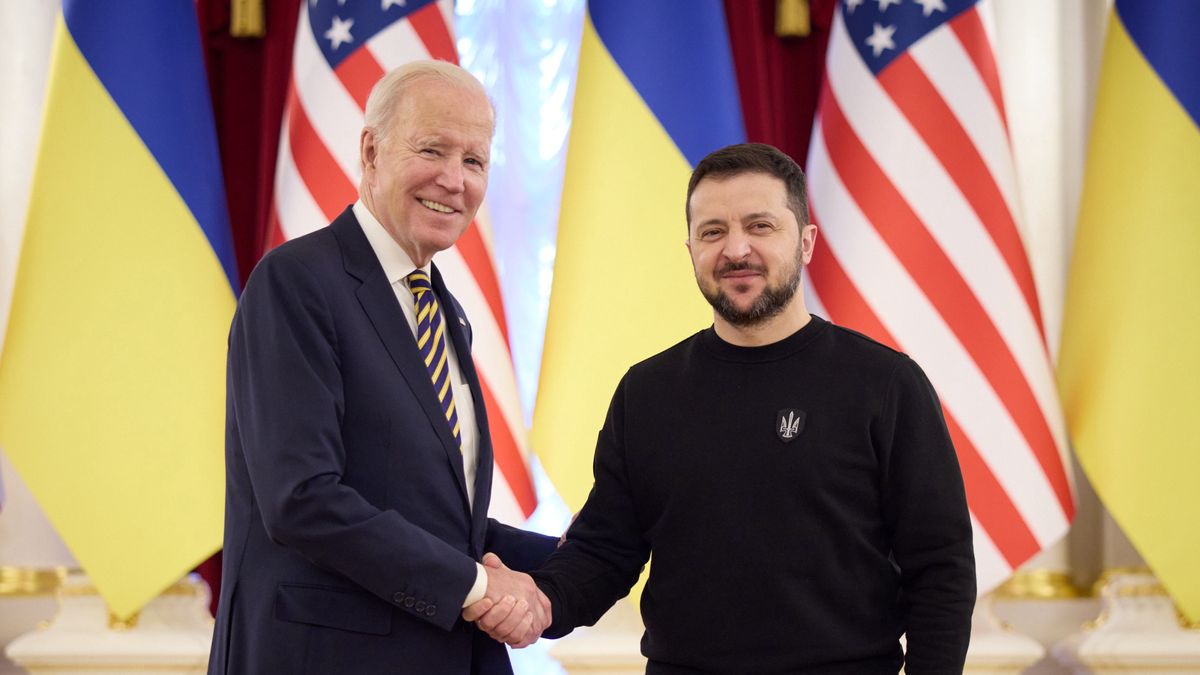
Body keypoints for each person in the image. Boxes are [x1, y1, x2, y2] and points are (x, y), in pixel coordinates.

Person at [471, 143, 976, 673]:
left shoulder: (887, 385)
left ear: (805, 243)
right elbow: (605, 550)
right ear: (690, 249)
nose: (736, 249)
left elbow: (941, 570)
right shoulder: (647, 393)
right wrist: (540, 602)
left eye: (760, 226)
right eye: (713, 231)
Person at [208, 61, 558, 675]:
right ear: (371, 150)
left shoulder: (440, 309)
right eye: (433, 149)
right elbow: (303, 498)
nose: (455, 180)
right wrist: (480, 590)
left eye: (475, 161)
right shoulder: (297, 283)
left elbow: (440, 524)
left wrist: (608, 552)